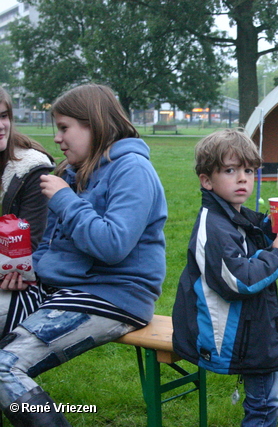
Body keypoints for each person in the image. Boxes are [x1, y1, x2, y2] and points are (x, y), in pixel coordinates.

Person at [0, 83, 168, 426]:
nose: (58, 139)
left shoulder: (132, 169)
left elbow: (112, 245)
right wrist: (28, 273)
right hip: (61, 289)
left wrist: (65, 199)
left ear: (94, 124)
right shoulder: (71, 172)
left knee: (4, 368)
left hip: (114, 294)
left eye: (64, 128)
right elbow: (47, 243)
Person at [172, 128, 278, 426]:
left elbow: (250, 235)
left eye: (248, 170)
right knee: (262, 407)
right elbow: (239, 281)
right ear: (206, 180)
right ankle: (273, 402)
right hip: (228, 332)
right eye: (230, 170)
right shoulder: (214, 228)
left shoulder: (233, 215)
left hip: (243, 319)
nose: (243, 178)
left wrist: (272, 226)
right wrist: (276, 255)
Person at [0, 87, 55, 338]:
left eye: (3, 116)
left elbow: (28, 243)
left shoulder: (30, 169)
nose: (2, 125)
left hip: (21, 284)